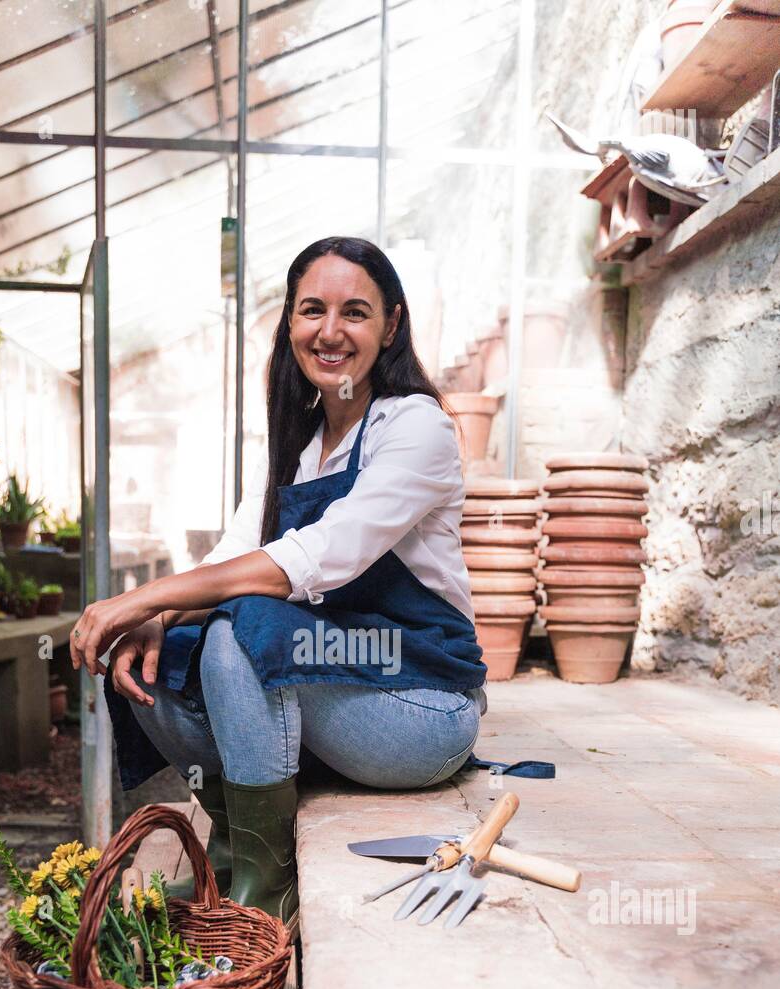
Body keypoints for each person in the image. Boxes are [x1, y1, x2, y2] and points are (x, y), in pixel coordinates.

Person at [70, 236, 488, 930]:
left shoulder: (416, 427)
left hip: (419, 705)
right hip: (338, 691)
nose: (329, 331)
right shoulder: (300, 444)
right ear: (290, 324)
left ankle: (268, 887)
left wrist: (146, 594)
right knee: (153, 652)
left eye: (354, 312)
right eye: (310, 311)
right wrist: (155, 618)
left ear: (391, 324)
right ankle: (235, 855)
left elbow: (325, 554)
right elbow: (238, 550)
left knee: (240, 631)